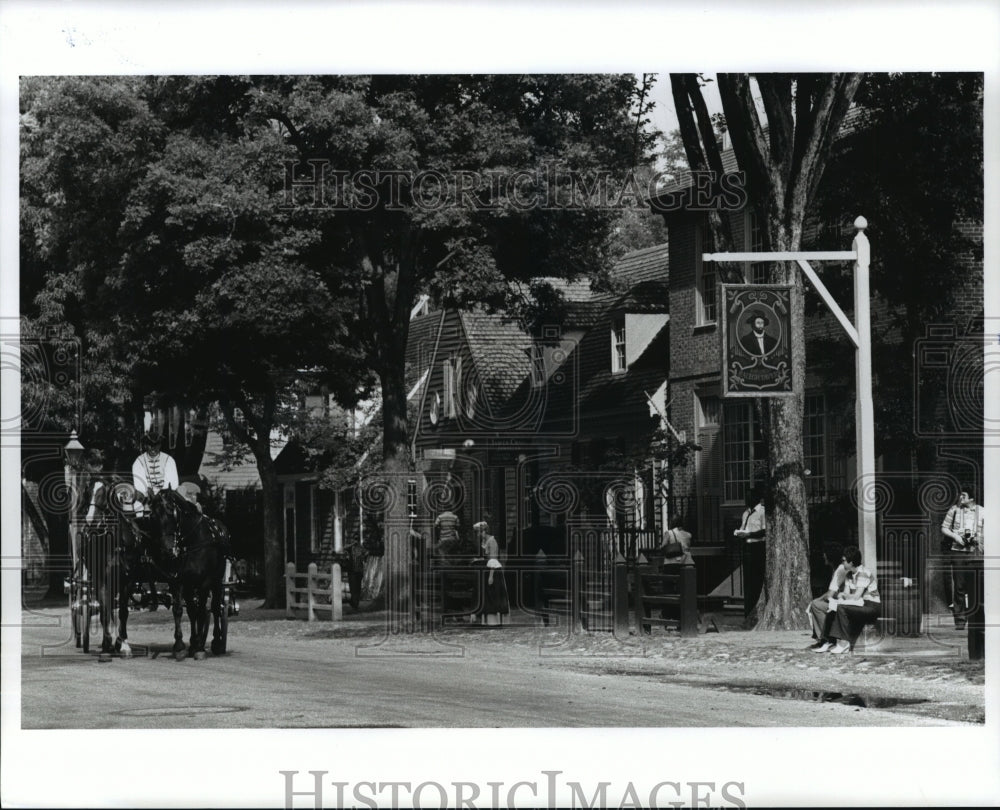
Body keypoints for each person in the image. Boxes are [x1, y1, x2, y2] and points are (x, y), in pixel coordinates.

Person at [814, 545, 881, 654]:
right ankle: (828, 641)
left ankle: (844, 643)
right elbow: (845, 593)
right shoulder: (849, 575)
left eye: (844, 560)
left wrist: (844, 596)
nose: (842, 563)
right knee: (833, 608)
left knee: (841, 608)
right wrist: (842, 596)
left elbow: (856, 596)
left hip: (871, 606)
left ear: (852, 562)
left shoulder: (863, 573)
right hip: (860, 604)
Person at [940, 485, 984, 630]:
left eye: (963, 495)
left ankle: (976, 618)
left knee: (976, 586)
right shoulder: (954, 510)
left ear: (971, 498)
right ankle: (960, 620)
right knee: (959, 586)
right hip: (958, 551)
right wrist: (956, 537)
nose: (960, 498)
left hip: (975, 553)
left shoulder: (982, 512)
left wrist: (979, 539)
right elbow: (944, 527)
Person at [806, 542, 847, 649]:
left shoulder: (840, 570)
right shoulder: (837, 569)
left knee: (816, 605)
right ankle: (823, 638)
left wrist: (816, 601)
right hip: (840, 600)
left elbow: (830, 594)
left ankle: (826, 638)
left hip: (843, 602)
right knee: (816, 603)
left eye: (824, 554)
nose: (823, 556)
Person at [734, 487, 766, 620]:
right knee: (747, 581)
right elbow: (744, 528)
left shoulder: (762, 512)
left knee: (757, 580)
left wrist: (750, 534)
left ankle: (758, 612)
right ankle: (748, 613)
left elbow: (765, 531)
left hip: (758, 546)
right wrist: (740, 533)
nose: (746, 500)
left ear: (756, 498)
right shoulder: (746, 513)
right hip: (747, 547)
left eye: (749, 497)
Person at [131, 432, 178, 516]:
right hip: (146, 495)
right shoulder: (139, 461)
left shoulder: (168, 460)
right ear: (145, 446)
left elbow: (172, 483)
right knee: (138, 508)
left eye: (156, 445)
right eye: (150, 444)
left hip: (166, 494)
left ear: (160, 445)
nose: (153, 448)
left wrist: (160, 495)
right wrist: (148, 493)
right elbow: (140, 485)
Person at [473, 520, 508, 626]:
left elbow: (493, 559)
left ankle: (495, 621)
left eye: (479, 532)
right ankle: (487, 620)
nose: (478, 535)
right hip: (488, 569)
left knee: (494, 595)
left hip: (494, 571)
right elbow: (486, 558)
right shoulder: (484, 542)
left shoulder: (492, 541)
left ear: (483, 531)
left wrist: (491, 576)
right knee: (488, 596)